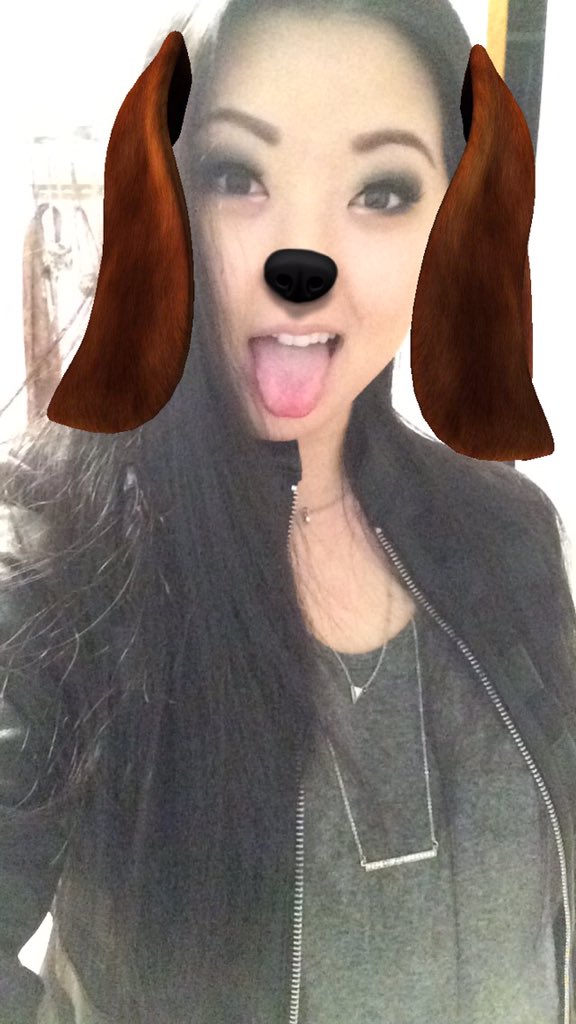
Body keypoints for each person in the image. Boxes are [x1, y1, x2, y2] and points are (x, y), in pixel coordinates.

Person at [0, 1, 574, 1022]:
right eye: (237, 177)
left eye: (383, 192)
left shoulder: (509, 535)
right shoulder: (59, 573)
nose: (299, 265)